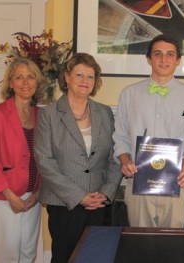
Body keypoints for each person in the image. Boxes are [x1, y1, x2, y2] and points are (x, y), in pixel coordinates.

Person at [34, 53, 121, 262]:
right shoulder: (50, 114)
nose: (85, 81)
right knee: (65, 257)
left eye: (90, 77)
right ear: (67, 77)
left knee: (98, 257)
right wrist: (78, 196)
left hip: (99, 204)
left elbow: (115, 157)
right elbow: (44, 161)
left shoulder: (104, 112)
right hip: (65, 204)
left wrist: (107, 193)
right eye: (79, 75)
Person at [113, 34, 184, 228]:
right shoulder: (129, 94)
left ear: (178, 60)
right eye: (158, 54)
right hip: (138, 182)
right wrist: (126, 161)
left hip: (175, 185)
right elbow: (119, 137)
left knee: (172, 247)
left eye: (170, 54)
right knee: (139, 245)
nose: (164, 59)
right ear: (149, 59)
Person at [0, 57, 46, 262]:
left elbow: (45, 157)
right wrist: (10, 196)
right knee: (8, 254)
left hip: (32, 196)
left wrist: (37, 193)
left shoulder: (41, 115)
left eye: (30, 77)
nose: (25, 82)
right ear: (10, 83)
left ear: (37, 82)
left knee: (28, 252)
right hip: (5, 196)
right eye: (19, 77)